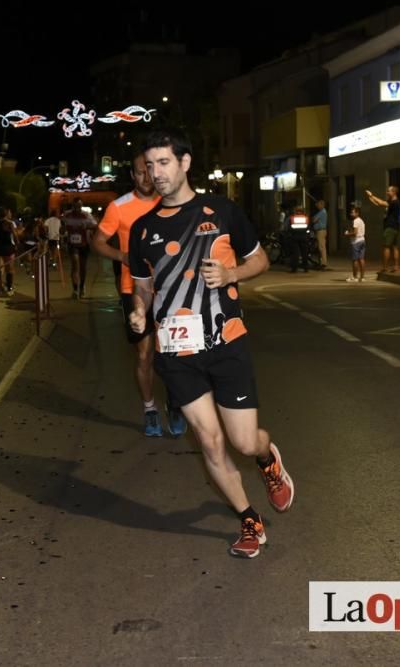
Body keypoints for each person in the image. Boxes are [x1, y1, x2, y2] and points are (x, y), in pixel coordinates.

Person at [128, 128, 294, 559]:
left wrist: (232, 274)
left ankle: (267, 459)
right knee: (209, 441)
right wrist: (140, 310)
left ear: (185, 163)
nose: (156, 172)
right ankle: (249, 521)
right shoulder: (142, 229)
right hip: (176, 352)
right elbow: (143, 286)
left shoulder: (221, 212)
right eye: (150, 165)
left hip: (225, 343)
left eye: (164, 162)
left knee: (242, 441)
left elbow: (260, 259)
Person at [92, 153, 187, 438]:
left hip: (170, 290)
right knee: (145, 355)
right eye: (140, 172)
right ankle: (149, 409)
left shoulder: (171, 201)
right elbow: (97, 242)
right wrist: (123, 256)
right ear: (133, 176)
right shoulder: (118, 207)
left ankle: (175, 404)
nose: (147, 177)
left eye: (150, 170)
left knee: (172, 353)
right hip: (133, 290)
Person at [61, 197, 97, 298]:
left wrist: (86, 227)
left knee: (82, 268)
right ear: (72, 206)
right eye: (75, 206)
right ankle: (75, 289)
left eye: (79, 206)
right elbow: (62, 229)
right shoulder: (67, 215)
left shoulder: (86, 215)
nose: (77, 208)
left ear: (81, 205)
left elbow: (95, 226)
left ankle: (81, 287)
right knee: (75, 264)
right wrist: (63, 229)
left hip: (84, 244)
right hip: (72, 244)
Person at [365, 185, 400, 273]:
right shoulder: (392, 201)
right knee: (395, 247)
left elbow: (381, 203)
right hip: (395, 227)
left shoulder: (394, 202)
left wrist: (372, 195)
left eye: (389, 191)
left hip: (390, 227)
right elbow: (379, 203)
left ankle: (385, 267)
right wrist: (370, 198)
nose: (387, 192)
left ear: (394, 192)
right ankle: (396, 267)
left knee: (386, 247)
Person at [344, 203, 366, 283]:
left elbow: (355, 233)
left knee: (355, 260)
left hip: (356, 242)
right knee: (361, 259)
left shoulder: (356, 221)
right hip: (362, 240)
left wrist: (347, 234)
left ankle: (355, 277)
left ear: (357, 213)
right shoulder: (361, 220)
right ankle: (362, 277)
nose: (351, 214)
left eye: (353, 212)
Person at [287, 207, 310, 273]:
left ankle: (294, 268)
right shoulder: (306, 218)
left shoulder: (292, 218)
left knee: (295, 253)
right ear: (302, 211)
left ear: (296, 211)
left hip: (294, 237)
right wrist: (307, 234)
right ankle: (306, 268)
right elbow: (308, 228)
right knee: (304, 253)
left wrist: (290, 234)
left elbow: (289, 228)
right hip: (304, 237)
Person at [311, 199, 328, 269]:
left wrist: (314, 218)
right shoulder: (321, 212)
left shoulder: (322, 212)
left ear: (322, 205)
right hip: (320, 231)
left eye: (318, 204)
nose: (317, 205)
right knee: (320, 247)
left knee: (321, 247)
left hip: (321, 231)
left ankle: (323, 263)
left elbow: (314, 220)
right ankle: (321, 262)